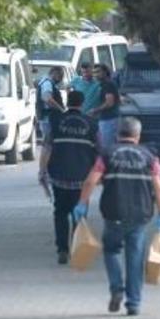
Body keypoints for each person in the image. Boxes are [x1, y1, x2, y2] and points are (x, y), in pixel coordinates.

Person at [75, 117, 160, 316]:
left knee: (111, 251)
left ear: (118, 134)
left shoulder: (107, 154)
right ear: (138, 135)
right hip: (140, 215)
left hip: (113, 213)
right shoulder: (150, 157)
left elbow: (90, 181)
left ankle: (117, 289)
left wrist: (82, 205)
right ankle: (134, 303)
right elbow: (159, 189)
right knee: (135, 258)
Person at [42, 90, 99, 265]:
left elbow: (47, 148)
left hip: (59, 176)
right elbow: (99, 150)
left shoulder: (57, 122)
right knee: (79, 214)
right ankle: (76, 248)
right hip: (83, 178)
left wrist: (42, 170)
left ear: (67, 102)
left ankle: (62, 249)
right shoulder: (91, 123)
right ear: (82, 103)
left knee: (60, 212)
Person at [37, 66, 65, 185]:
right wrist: (61, 110)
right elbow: (47, 99)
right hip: (49, 119)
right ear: (54, 73)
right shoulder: (47, 83)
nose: (60, 79)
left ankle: (45, 172)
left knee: (48, 146)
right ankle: (44, 172)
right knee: (48, 146)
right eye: (59, 76)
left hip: (47, 118)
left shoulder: (44, 82)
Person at [87, 63, 120, 149]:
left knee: (106, 147)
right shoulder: (104, 84)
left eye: (98, 72)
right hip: (106, 119)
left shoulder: (108, 84)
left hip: (109, 119)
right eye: (94, 72)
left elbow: (109, 103)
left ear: (105, 72)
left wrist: (95, 110)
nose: (96, 75)